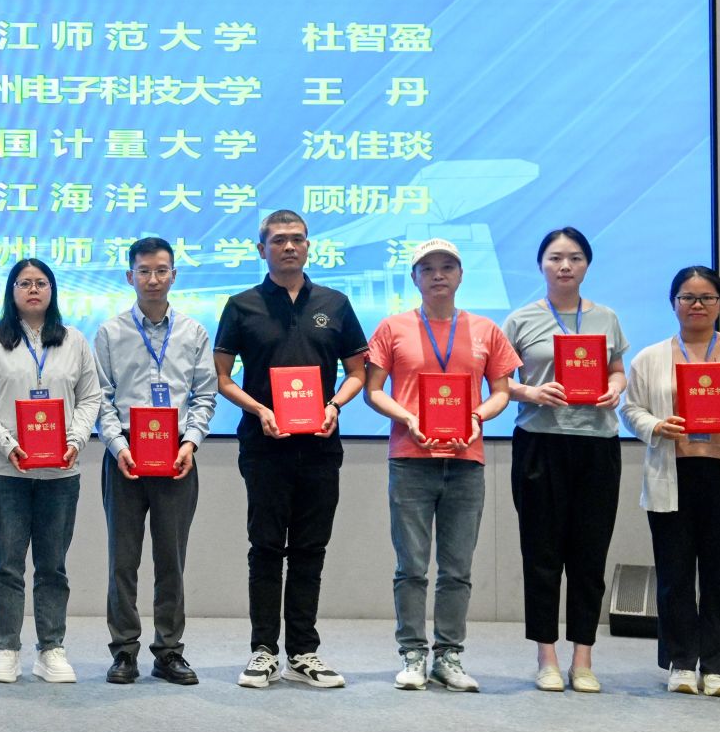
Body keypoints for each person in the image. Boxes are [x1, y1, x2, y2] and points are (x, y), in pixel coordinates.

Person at [213, 210, 366, 690]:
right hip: (265, 445)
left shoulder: (335, 304)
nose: (289, 247)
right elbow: (222, 378)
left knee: (309, 549)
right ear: (262, 249)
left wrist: (334, 405)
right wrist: (260, 408)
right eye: (278, 240)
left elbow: (357, 372)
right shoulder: (241, 305)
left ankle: (303, 651)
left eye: (297, 239)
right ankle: (263, 651)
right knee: (265, 547)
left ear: (308, 246)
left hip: (320, 446)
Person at [364, 238, 518, 693]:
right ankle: (412, 654)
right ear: (414, 277)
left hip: (466, 461)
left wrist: (476, 417)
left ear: (460, 275)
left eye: (447, 266)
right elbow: (373, 390)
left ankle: (448, 656)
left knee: (457, 569)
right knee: (411, 566)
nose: (437, 275)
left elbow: (502, 391)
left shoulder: (486, 330)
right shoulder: (392, 327)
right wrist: (408, 417)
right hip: (410, 460)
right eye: (427, 268)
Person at [622, 266, 720, 698]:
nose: (697, 305)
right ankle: (680, 663)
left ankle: (716, 668)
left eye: (707, 297)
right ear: (673, 304)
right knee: (674, 575)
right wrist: (656, 426)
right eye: (687, 297)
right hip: (673, 475)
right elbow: (631, 410)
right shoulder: (650, 357)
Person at [503, 227, 629, 694]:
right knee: (541, 554)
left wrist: (615, 388)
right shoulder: (521, 319)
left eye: (575, 257)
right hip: (540, 443)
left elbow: (617, 369)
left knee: (589, 555)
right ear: (541, 265)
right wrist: (530, 392)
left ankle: (584, 659)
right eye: (555, 257)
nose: (565, 266)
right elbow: (498, 382)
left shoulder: (607, 318)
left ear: (587, 265)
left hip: (597, 444)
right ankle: (547, 657)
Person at [0, 258, 101, 684]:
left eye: (41, 283)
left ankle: (51, 649)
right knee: (7, 565)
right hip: (6, 472)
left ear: (52, 290)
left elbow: (90, 397)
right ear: (11, 291)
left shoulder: (75, 340)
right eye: (24, 283)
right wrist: (6, 444)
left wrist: (75, 441)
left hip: (60, 473)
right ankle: (7, 649)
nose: (32, 290)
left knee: (52, 566)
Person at [94, 237, 218, 685]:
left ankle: (168, 651)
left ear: (174, 275)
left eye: (161, 270)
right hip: (125, 455)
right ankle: (124, 651)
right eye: (144, 271)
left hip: (177, 456)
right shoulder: (110, 333)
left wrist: (191, 443)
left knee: (171, 560)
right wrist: (117, 446)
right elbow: (101, 398)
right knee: (122, 560)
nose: (152, 279)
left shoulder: (193, 332)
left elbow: (205, 395)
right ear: (130, 276)